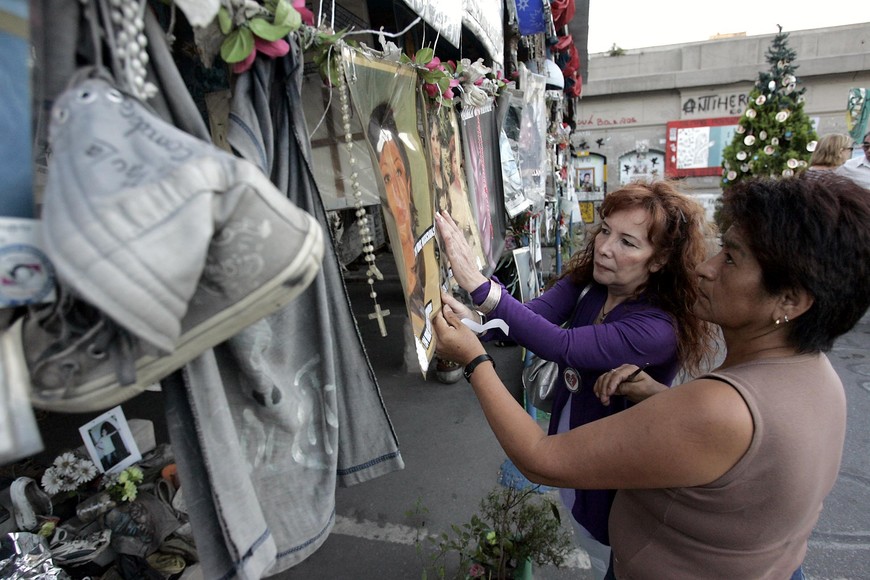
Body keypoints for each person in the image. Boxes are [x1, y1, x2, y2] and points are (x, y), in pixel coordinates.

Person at [434, 174, 870, 579]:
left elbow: (540, 458)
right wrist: (662, 398)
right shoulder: (815, 373)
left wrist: (474, 360)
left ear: (790, 301)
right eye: (605, 231)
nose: (706, 267)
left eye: (732, 257)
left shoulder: (717, 402)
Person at [435, 181, 717, 579]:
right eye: (605, 230)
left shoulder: (656, 327)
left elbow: (561, 344)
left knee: (611, 554)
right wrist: (470, 319)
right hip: (572, 457)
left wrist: (480, 286)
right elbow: (527, 320)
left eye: (628, 242)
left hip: (615, 488)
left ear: (659, 260)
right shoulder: (591, 284)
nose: (604, 247)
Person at [367, 103, 427, 323]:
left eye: (399, 172)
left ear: (409, 181)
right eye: (386, 178)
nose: (398, 193)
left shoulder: (427, 255)